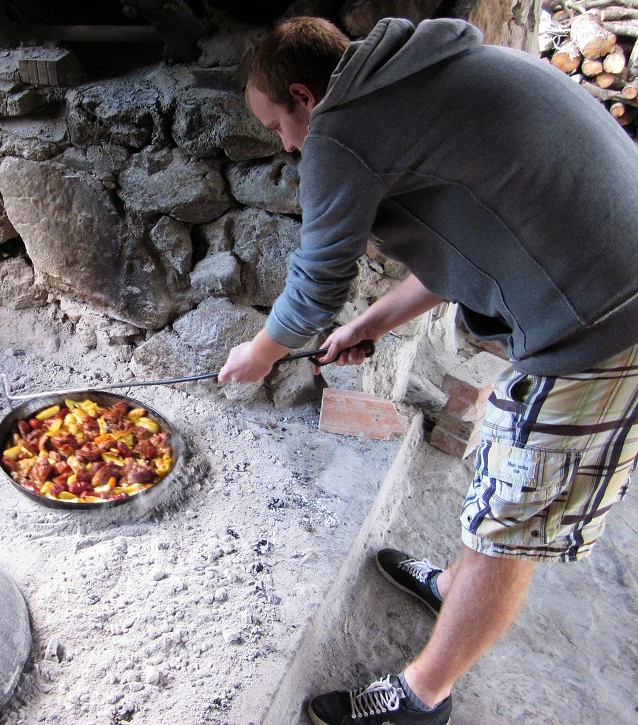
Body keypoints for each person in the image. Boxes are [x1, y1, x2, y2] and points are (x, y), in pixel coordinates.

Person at [217, 14, 638, 725]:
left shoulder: (343, 129)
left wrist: (260, 351)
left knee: (511, 517)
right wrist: (370, 322)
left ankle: (422, 696)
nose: (287, 146)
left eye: (277, 126)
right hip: (606, 287)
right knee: (503, 494)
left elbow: (316, 278)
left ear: (304, 95)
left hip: (603, 324)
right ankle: (452, 585)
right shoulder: (424, 77)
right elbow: (477, 237)